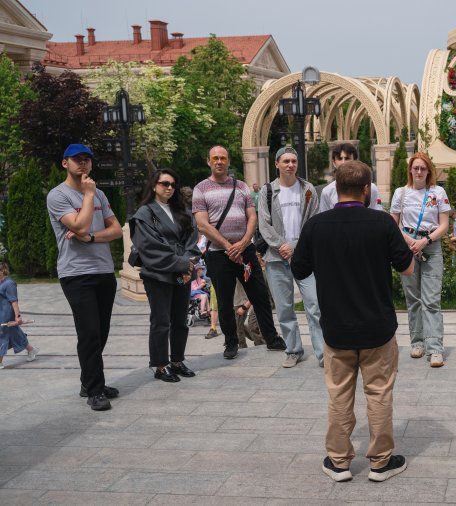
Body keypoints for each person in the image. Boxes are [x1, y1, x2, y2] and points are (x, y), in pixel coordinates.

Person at [292, 160, 414, 483]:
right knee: (379, 394)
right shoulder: (382, 223)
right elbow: (407, 268)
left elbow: (299, 269)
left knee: (339, 396)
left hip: (337, 328)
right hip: (378, 327)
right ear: (366, 190)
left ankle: (339, 462)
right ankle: (381, 462)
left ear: (335, 188)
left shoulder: (317, 226)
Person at [47, 144, 123, 411]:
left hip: (104, 270)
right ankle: (94, 390)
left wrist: (90, 238)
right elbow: (78, 224)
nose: (83, 163)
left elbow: (116, 230)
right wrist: (88, 195)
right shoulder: (58, 195)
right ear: (65, 163)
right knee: (89, 332)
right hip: (76, 273)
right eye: (77, 159)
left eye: (87, 159)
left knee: (101, 332)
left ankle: (88, 381)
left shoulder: (99, 193)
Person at [192, 145, 286, 360]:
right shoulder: (201, 189)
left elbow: (252, 217)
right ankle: (231, 342)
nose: (219, 161)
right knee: (224, 301)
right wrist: (228, 246)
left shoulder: (241, 186)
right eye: (215, 158)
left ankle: (271, 338)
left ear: (228, 161)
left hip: (245, 251)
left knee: (260, 295)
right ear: (208, 161)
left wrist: (242, 244)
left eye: (223, 158)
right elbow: (202, 224)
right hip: (218, 254)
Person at [257, 146, 325, 368]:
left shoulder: (307, 189)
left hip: (304, 256)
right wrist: (282, 245)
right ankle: (293, 350)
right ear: (276, 164)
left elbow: (314, 221)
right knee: (284, 308)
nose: (290, 165)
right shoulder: (267, 191)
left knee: (314, 305)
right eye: (286, 161)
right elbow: (264, 225)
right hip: (276, 258)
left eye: (294, 161)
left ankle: (323, 353)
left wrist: (294, 246)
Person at [131, 169, 201, 383]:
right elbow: (150, 246)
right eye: (164, 184)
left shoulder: (182, 211)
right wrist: (183, 263)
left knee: (180, 320)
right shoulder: (145, 213)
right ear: (154, 186)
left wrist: (188, 265)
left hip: (182, 273)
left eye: (173, 184)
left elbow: (192, 239)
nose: (169, 188)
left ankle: (177, 361)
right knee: (161, 321)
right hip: (158, 274)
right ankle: (160, 365)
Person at [389, 153, 450, 367]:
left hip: (430, 247)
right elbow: (393, 223)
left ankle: (435, 348)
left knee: (431, 300)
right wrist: (409, 241)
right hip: (408, 247)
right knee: (413, 299)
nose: (419, 172)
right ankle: (417, 342)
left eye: (423, 168)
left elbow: (444, 224)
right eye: (415, 168)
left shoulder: (437, 192)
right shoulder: (401, 193)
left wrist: (425, 241)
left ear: (429, 171)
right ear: (410, 170)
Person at [319, 143, 383, 212]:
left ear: (355, 161)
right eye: (340, 159)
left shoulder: (371, 188)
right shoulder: (327, 191)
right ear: (334, 162)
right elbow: (324, 215)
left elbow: (377, 212)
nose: (343, 162)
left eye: (347, 158)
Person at [0, 263, 38, 369]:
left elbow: (14, 301)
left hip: (7, 315)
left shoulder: (9, 284)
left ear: (2, 271)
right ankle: (31, 350)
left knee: (2, 336)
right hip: (1, 313)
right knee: (15, 333)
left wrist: (18, 316)